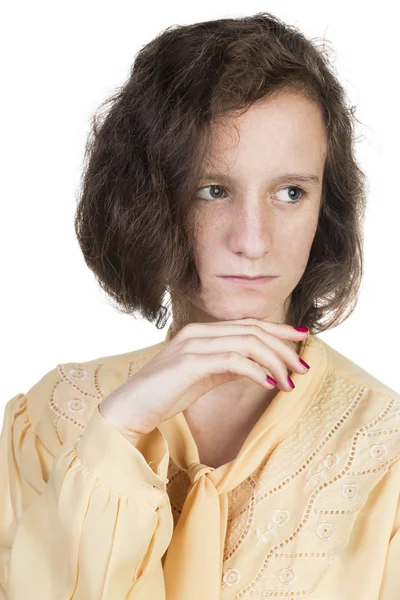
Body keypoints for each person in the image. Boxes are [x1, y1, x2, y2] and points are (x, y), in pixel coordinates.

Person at [1, 11, 399, 600]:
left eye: (291, 192)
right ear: (145, 200)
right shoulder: (49, 425)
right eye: (212, 190)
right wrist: (116, 432)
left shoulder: (386, 460)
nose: (254, 239)